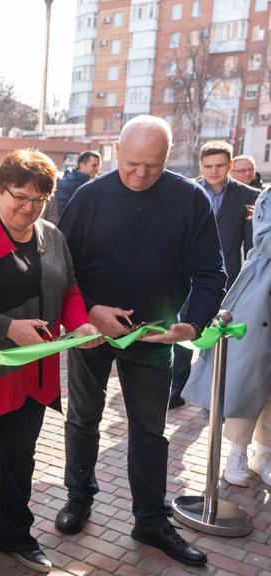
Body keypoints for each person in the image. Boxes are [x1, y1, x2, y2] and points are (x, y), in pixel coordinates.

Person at [57, 116, 225, 567]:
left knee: (149, 432)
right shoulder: (88, 197)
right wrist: (89, 311)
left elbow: (212, 273)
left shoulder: (189, 199)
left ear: (168, 159)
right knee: (82, 419)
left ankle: (150, 518)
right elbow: (61, 268)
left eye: (152, 166)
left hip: (156, 335)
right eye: (132, 164)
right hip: (91, 333)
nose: (139, 175)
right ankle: (79, 495)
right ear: (115, 150)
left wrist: (190, 324)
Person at [0, 149, 101, 573]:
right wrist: (8, 329)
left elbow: (68, 290)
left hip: (34, 375)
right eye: (19, 196)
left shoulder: (53, 235)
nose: (28, 208)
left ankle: (14, 534)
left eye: (39, 199)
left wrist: (80, 325)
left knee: (19, 456)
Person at [183, 188, 271, 485]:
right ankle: (238, 451)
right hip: (260, 298)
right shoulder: (268, 196)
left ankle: (265, 452)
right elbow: (265, 239)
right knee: (246, 375)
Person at [168, 141, 257, 408]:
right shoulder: (187, 192)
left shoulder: (248, 196)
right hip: (188, 278)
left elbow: (251, 246)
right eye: (208, 166)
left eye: (219, 165)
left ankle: (213, 394)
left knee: (217, 338)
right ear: (200, 166)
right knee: (185, 331)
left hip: (228, 279)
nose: (213, 171)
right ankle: (177, 389)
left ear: (230, 165)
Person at [54, 150, 101, 219]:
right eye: (94, 165)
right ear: (81, 165)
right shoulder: (67, 183)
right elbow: (63, 212)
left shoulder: (95, 182)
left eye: (99, 165)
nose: (97, 169)